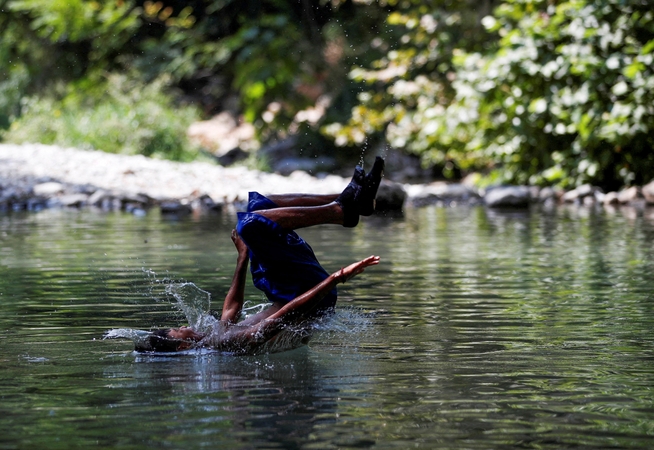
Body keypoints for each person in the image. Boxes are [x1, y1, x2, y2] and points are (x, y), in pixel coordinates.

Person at [138, 157, 385, 354]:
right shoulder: (228, 345)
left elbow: (230, 310)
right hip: (311, 297)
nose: (183, 326)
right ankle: (342, 210)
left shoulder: (214, 339)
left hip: (289, 291)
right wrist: (336, 277)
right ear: (182, 345)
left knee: (258, 207)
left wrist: (242, 256)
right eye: (178, 330)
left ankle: (354, 200)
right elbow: (284, 316)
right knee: (251, 226)